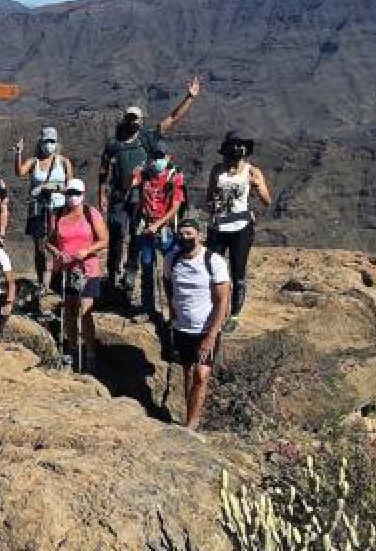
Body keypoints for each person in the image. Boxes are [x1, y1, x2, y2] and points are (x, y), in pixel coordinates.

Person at [98, 77, 201, 295]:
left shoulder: (146, 138)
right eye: (130, 118)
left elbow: (172, 119)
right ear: (125, 119)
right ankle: (113, 271)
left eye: (137, 118)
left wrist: (189, 98)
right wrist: (101, 193)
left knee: (137, 232)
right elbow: (103, 169)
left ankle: (130, 271)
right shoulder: (114, 143)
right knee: (116, 231)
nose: (133, 121)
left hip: (139, 193)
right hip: (118, 193)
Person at [163, 218, 231, 430]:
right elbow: (167, 282)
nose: (185, 238)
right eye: (181, 234)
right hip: (183, 327)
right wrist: (172, 308)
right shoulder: (171, 260)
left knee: (201, 375)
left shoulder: (214, 262)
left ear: (200, 235)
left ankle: (191, 425)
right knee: (188, 372)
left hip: (206, 328)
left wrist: (212, 335)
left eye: (189, 234)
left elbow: (223, 300)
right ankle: (189, 415)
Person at [205, 131, 272, 330]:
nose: (236, 149)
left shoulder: (252, 171)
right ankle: (215, 309)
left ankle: (233, 316)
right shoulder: (217, 170)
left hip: (241, 227)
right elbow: (208, 199)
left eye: (239, 145)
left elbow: (267, 200)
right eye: (233, 145)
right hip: (218, 225)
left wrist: (258, 186)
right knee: (212, 269)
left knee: (237, 271)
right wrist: (213, 205)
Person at [45, 178, 108, 373]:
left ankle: (90, 353)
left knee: (86, 312)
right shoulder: (57, 215)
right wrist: (56, 253)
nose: (73, 197)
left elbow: (104, 240)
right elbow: (48, 242)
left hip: (87, 269)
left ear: (82, 195)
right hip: (66, 269)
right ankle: (72, 349)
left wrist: (87, 250)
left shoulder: (91, 213)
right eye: (70, 193)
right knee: (70, 312)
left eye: (77, 193)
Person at [126, 146, 187, 315]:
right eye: (154, 156)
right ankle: (148, 309)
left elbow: (175, 207)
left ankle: (176, 310)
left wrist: (157, 225)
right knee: (147, 268)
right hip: (147, 227)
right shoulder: (145, 174)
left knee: (172, 269)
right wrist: (133, 174)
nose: (157, 160)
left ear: (168, 157)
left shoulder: (174, 177)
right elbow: (129, 185)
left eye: (160, 156)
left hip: (166, 228)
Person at [15, 126, 74, 289]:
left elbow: (71, 187)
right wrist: (18, 154)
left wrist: (53, 188)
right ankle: (41, 281)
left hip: (59, 207)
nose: (49, 144)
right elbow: (20, 172)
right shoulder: (34, 162)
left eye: (52, 141)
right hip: (38, 208)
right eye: (46, 141)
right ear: (40, 142)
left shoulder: (64, 162)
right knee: (39, 245)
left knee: (59, 243)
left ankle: (58, 278)